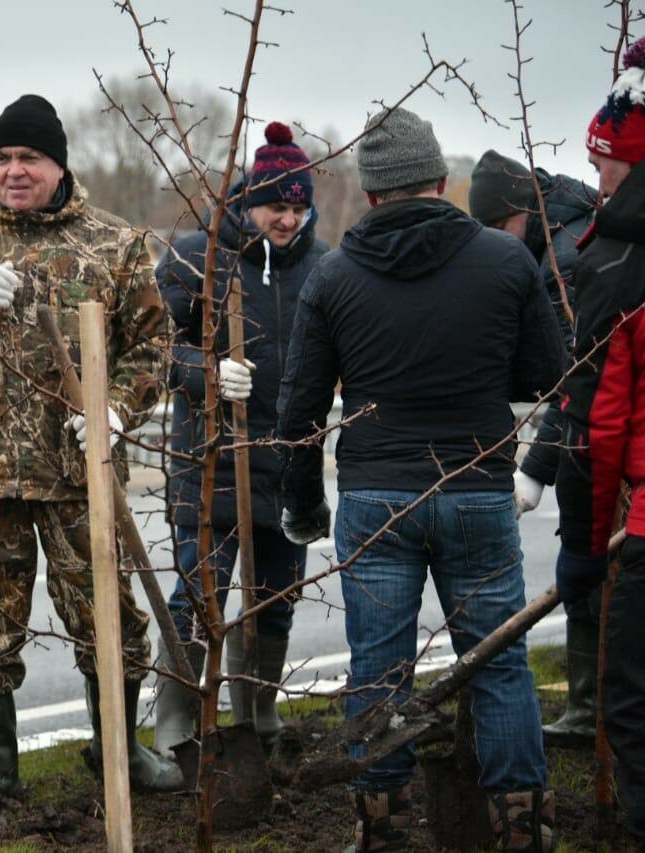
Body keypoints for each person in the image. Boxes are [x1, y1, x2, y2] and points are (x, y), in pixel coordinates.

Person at [0, 94, 181, 814]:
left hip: (80, 471)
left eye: (30, 158)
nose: (14, 171)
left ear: (59, 164)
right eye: (3, 158)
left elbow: (154, 344)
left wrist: (115, 410)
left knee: (109, 618)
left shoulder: (113, 244)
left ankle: (121, 748)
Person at [276, 106, 563, 851]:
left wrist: (302, 503)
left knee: (378, 669)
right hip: (473, 484)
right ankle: (523, 828)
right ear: (443, 181)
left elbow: (301, 410)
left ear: (371, 195)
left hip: (375, 497)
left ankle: (385, 830)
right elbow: (545, 374)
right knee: (498, 665)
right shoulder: (506, 263)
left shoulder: (334, 276)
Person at [152, 122, 328, 756]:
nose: (286, 220)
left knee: (276, 597)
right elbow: (148, 348)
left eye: (297, 207)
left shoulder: (324, 266)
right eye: (275, 206)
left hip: (288, 461)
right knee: (201, 593)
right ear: (248, 202)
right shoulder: (196, 258)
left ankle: (257, 709)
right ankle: (175, 718)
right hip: (210, 460)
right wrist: (204, 371)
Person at [469, 150, 600, 746]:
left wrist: (535, 468)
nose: (499, 242)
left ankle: (593, 712)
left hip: (597, 441)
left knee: (593, 562)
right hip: (595, 436)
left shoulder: (564, 261)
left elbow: (579, 376)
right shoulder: (560, 231)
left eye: (500, 229)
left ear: (523, 212)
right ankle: (591, 707)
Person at [555, 36, 645, 850]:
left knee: (635, 699)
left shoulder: (615, 261)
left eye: (606, 162)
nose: (598, 176)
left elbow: (602, 420)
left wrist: (585, 548)